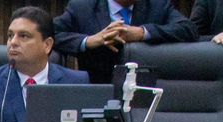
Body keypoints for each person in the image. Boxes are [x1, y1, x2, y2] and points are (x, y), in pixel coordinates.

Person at [0, 6, 91, 122]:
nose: (13, 42)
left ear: (47, 45)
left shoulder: (76, 82)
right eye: (10, 35)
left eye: (23, 36)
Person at [52, 0, 188, 84]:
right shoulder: (82, 7)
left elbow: (188, 28)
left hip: (145, 90)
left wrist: (142, 33)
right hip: (99, 89)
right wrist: (89, 40)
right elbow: (49, 33)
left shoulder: (157, 5)